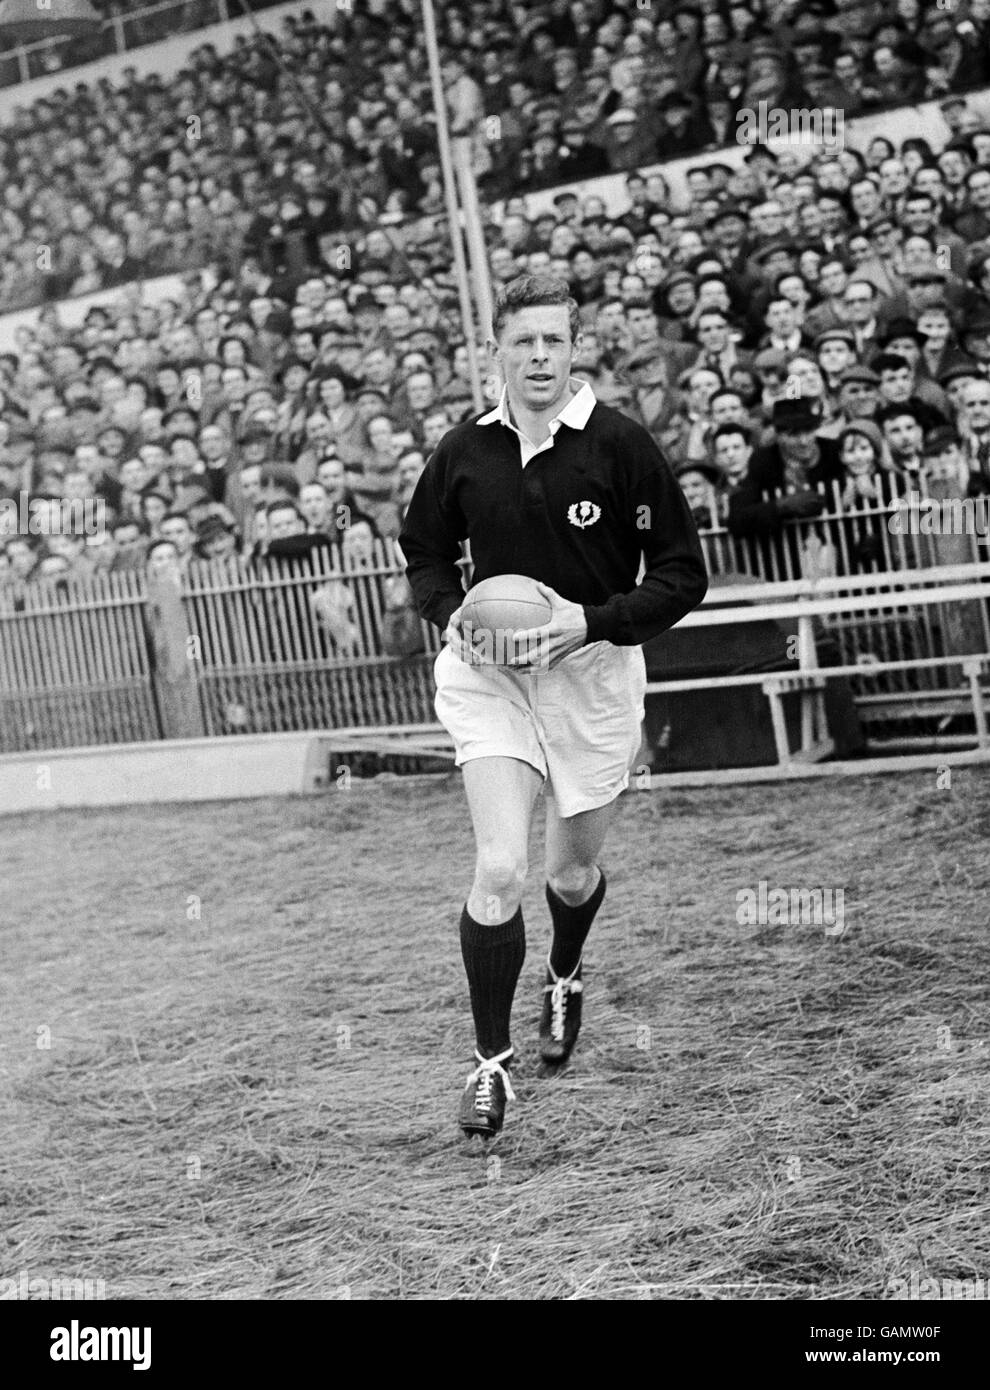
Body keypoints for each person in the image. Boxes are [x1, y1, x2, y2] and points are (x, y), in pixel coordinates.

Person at [398, 275, 708, 1139]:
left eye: (553, 342)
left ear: (574, 351)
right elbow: (423, 551)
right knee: (499, 869)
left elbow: (684, 575)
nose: (538, 357)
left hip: (594, 679)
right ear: (495, 350)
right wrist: (450, 614)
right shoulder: (463, 450)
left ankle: (565, 975)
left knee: (568, 872)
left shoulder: (619, 445)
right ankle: (491, 1065)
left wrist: (590, 620)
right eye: (522, 342)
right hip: (491, 681)